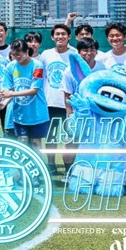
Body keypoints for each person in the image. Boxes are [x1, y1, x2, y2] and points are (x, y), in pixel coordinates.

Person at [0, 39, 48, 149]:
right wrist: (4, 103)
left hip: (37, 113)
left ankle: (37, 164)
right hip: (20, 114)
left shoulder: (37, 66)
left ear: (26, 51)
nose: (16, 57)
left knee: (36, 143)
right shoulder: (10, 67)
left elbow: (34, 90)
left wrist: (10, 94)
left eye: (19, 54)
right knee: (22, 142)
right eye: (13, 54)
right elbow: (9, 89)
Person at [39, 24, 76, 173]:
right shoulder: (46, 54)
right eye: (57, 34)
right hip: (50, 102)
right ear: (52, 37)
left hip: (70, 103)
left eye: (63, 34)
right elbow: (40, 76)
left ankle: (70, 166)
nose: (60, 37)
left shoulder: (75, 53)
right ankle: (51, 164)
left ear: (69, 37)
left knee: (70, 137)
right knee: (51, 136)